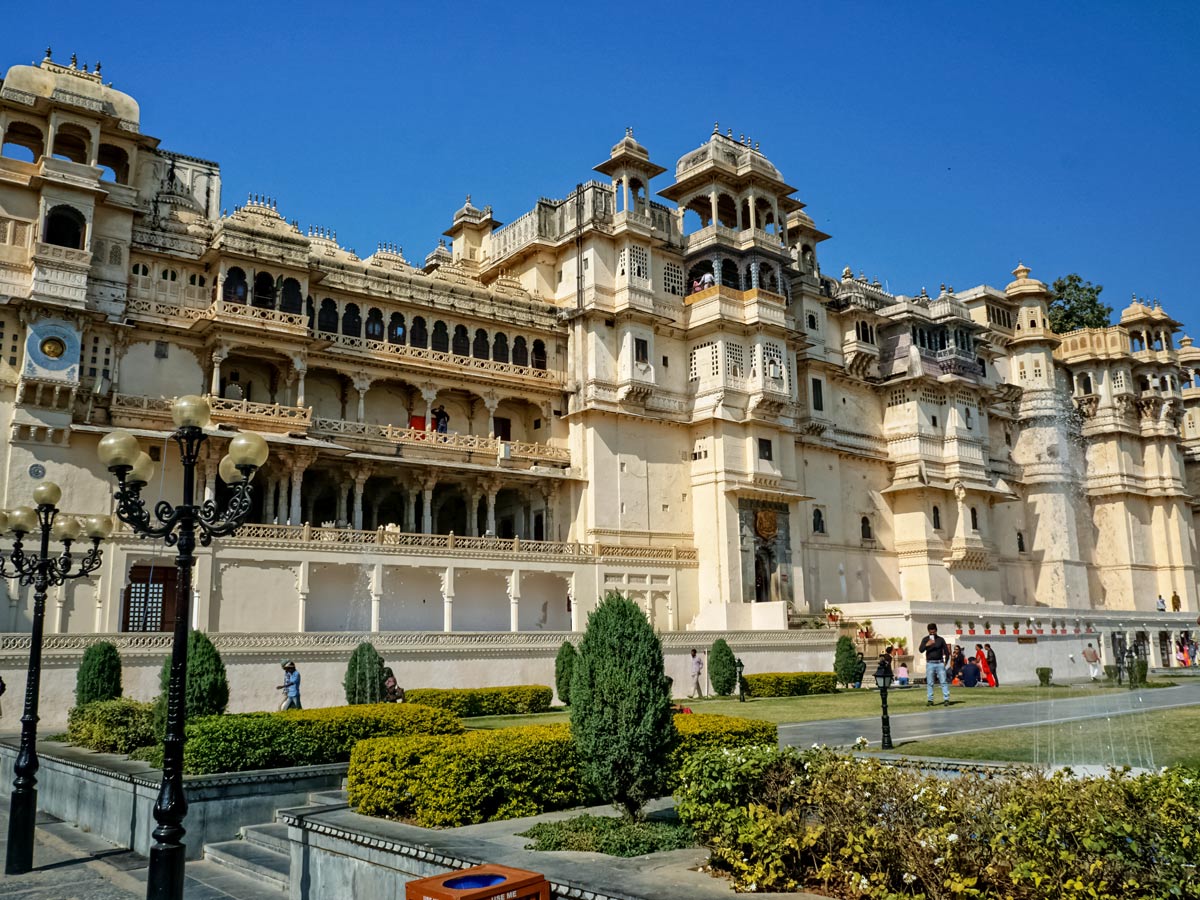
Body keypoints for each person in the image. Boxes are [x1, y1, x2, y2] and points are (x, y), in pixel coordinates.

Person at [918, 622, 951, 706]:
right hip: (930, 663)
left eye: (934, 632)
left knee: (943, 681)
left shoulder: (940, 639)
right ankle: (930, 700)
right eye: (931, 632)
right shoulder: (925, 639)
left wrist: (945, 662)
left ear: (936, 630)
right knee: (930, 682)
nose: (932, 633)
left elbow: (947, 652)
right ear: (928, 631)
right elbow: (921, 650)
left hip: (940, 663)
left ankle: (946, 699)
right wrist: (927, 645)